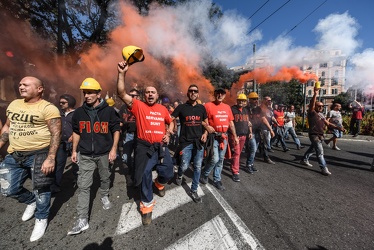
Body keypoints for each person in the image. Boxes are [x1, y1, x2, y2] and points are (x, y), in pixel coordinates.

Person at [0, 76, 61, 242]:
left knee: (41, 189)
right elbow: (7, 126)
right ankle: (31, 201)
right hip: (14, 154)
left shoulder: (49, 108)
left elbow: (56, 134)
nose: (21, 87)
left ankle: (41, 217)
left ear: (39, 89)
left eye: (25, 85)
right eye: (20, 84)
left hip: (39, 154)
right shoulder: (14, 104)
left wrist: (51, 157)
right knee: (8, 189)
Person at [117, 61, 174, 226]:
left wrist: (168, 133)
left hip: (161, 148)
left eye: (153, 92)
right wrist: (122, 73)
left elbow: (171, 122)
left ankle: (159, 183)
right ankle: (147, 206)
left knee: (169, 172)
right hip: (143, 147)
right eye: (147, 92)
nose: (150, 94)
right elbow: (121, 92)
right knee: (144, 175)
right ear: (144, 95)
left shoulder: (163, 109)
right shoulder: (138, 106)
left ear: (157, 96)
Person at [67, 78, 121, 235]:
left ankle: (104, 194)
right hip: (85, 154)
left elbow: (116, 129)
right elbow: (77, 132)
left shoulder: (109, 111)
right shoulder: (78, 112)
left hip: (104, 153)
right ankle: (82, 219)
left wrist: (113, 149)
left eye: (90, 92)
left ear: (99, 93)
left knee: (105, 177)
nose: (87, 95)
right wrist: (74, 150)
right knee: (83, 186)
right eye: (85, 93)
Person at [170, 84, 209, 202]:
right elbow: (170, 118)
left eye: (195, 91)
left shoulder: (202, 108)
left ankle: (194, 190)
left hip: (199, 143)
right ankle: (180, 174)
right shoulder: (181, 107)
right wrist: (170, 129)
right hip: (185, 143)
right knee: (184, 165)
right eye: (191, 91)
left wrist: (205, 134)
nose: (193, 93)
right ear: (188, 94)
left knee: (197, 167)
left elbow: (206, 123)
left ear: (198, 94)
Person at [199, 87, 239, 191]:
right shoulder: (208, 106)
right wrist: (206, 131)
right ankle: (205, 174)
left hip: (224, 137)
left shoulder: (227, 107)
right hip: (213, 137)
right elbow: (202, 120)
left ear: (224, 95)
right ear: (215, 94)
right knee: (214, 159)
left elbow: (231, 123)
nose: (220, 95)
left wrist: (235, 136)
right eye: (218, 93)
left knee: (221, 160)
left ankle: (217, 179)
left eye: (222, 93)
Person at [300, 86, 345, 175]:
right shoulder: (312, 113)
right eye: (319, 106)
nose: (321, 107)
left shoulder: (321, 115)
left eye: (322, 106)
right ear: (315, 107)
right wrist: (315, 93)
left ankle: (304, 160)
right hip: (314, 135)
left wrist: (338, 128)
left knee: (312, 149)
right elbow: (312, 104)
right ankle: (323, 168)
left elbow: (328, 124)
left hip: (320, 135)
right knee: (320, 152)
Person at [52, 94, 77, 193]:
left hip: (74, 142)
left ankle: (78, 180)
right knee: (59, 163)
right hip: (61, 142)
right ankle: (55, 185)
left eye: (63, 102)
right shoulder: (59, 113)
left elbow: (79, 127)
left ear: (70, 102)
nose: (61, 104)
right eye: (60, 102)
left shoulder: (76, 113)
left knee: (76, 162)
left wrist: (73, 135)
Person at [229, 93, 253, 182]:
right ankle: (235, 172)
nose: (241, 102)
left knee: (237, 153)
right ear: (237, 100)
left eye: (243, 101)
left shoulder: (246, 110)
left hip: (244, 135)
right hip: (235, 136)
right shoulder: (232, 109)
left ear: (245, 102)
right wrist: (234, 135)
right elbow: (230, 123)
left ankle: (233, 165)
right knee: (237, 153)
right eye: (240, 100)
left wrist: (250, 132)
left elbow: (248, 122)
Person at [119, 88, 140, 186]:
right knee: (126, 157)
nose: (131, 97)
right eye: (130, 95)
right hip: (128, 135)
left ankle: (135, 177)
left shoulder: (141, 106)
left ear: (138, 97)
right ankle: (130, 171)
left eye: (133, 96)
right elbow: (119, 121)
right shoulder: (123, 107)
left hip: (139, 135)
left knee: (138, 157)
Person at [255, 97, 276, 164]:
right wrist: (271, 129)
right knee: (264, 144)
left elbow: (272, 117)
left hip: (268, 128)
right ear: (264, 100)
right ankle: (266, 157)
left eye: (270, 100)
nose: (270, 101)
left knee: (263, 143)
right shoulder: (260, 108)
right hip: (262, 128)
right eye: (268, 100)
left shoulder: (269, 109)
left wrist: (277, 122)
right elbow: (263, 119)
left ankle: (261, 153)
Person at [244, 92, 259, 174]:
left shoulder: (258, 109)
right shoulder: (246, 109)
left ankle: (251, 163)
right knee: (253, 149)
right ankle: (249, 165)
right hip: (250, 132)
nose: (256, 100)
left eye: (256, 98)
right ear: (249, 100)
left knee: (253, 150)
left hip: (257, 132)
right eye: (254, 99)